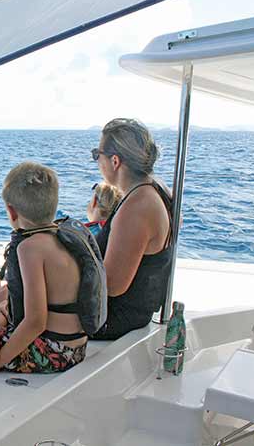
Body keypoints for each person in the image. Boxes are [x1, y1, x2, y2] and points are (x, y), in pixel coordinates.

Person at [0, 162, 89, 375]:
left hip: (55, 352)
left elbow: (36, 322)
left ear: (11, 211)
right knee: (0, 309)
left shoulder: (30, 248)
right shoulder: (63, 235)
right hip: (76, 347)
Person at [90, 118, 173, 340]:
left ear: (114, 161)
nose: (97, 161)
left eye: (97, 154)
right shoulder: (159, 189)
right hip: (134, 314)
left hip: (113, 319)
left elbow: (112, 286)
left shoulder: (137, 207)